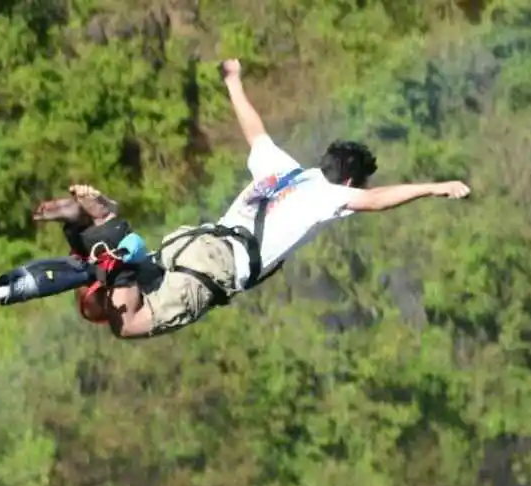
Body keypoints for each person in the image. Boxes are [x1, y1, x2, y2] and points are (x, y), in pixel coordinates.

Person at [32, 58, 471, 339]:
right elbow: (377, 200)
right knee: (126, 325)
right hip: (217, 267)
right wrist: (435, 187)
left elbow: (253, 128)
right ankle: (114, 238)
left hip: (189, 241)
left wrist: (233, 81)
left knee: (108, 302)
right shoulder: (327, 196)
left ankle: (92, 230)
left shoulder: (281, 168)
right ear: (351, 181)